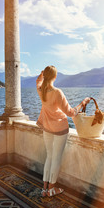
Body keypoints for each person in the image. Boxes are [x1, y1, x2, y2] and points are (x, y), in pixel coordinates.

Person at [36, 65, 90, 198]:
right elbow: (71, 113)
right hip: (60, 129)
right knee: (56, 159)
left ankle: (44, 189)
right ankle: (52, 189)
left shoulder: (41, 90)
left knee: (49, 157)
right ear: (55, 76)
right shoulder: (57, 92)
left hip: (47, 128)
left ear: (45, 76)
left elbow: (38, 81)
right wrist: (82, 103)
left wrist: (42, 74)